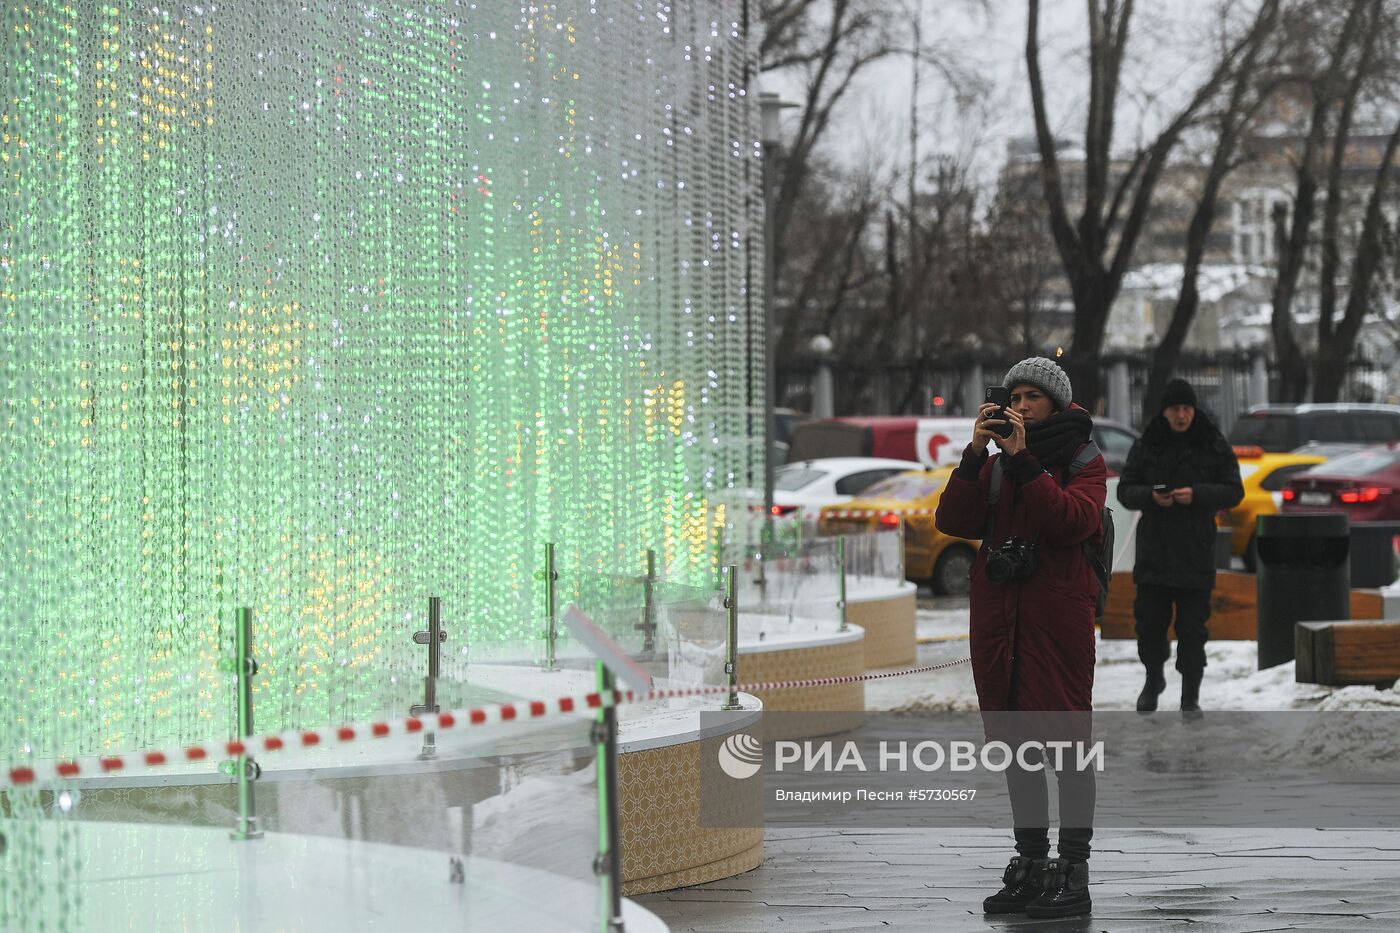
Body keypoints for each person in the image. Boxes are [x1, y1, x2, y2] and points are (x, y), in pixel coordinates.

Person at [935, 356, 1107, 919]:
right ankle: (1030, 864)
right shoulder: (994, 462)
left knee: (1067, 747)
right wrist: (973, 454)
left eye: (1033, 396)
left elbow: (1071, 522)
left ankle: (1073, 870)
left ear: (1055, 404)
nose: (1021, 404)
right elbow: (953, 521)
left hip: (1056, 624)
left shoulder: (1082, 457)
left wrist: (1024, 461)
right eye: (1016, 395)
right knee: (1017, 750)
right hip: (1000, 624)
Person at [1116, 378, 1243, 715]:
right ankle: (1153, 679)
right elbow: (1125, 490)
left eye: (1187, 408)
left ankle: (1191, 695)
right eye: (1176, 409)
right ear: (1165, 411)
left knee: (1192, 629)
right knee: (1150, 626)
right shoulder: (1148, 443)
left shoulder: (1212, 442)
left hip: (1195, 551)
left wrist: (1197, 494)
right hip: (1154, 551)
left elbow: (1234, 491)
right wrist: (1152, 497)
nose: (1182, 415)